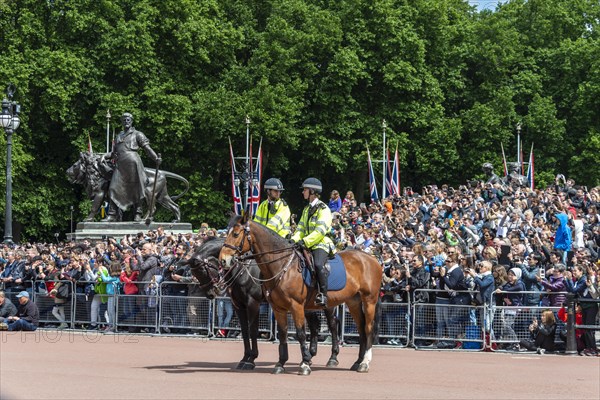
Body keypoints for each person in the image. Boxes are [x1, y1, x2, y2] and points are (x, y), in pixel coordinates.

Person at [102, 112, 161, 222]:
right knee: (113, 188)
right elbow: (113, 153)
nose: (126, 121)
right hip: (120, 166)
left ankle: (138, 213)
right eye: (124, 120)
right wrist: (105, 156)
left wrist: (155, 158)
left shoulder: (138, 134)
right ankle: (112, 214)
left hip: (133, 164)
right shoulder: (119, 135)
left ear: (131, 121)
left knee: (136, 188)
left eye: (128, 119)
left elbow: (147, 148)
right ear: (122, 122)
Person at [291, 177, 335, 307]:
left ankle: (323, 294)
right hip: (306, 243)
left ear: (312, 191)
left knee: (317, 264)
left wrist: (305, 241)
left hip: (321, 243)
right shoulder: (306, 210)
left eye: (305, 190)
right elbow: (300, 229)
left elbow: (320, 231)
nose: (302, 192)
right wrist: (293, 240)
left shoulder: (324, 209)